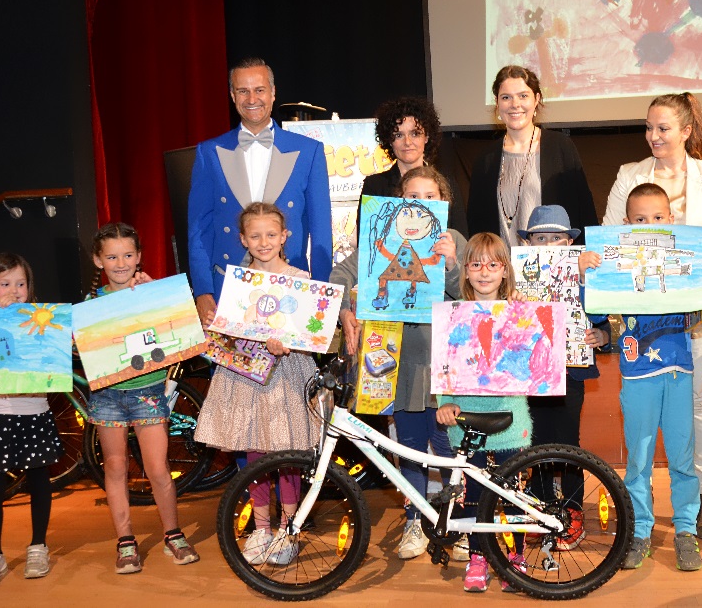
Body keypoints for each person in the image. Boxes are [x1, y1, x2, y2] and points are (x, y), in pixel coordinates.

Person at [601, 92, 702, 540]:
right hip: (644, 318)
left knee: (701, 404)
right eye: (648, 128)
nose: (654, 136)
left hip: (697, 311)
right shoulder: (629, 175)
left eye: (663, 128)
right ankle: (641, 510)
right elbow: (610, 240)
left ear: (686, 130)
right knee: (643, 420)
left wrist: (677, 254)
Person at [581, 184, 702, 573]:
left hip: (679, 374)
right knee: (639, 461)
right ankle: (640, 531)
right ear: (626, 224)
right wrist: (587, 276)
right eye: (640, 219)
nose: (650, 224)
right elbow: (596, 313)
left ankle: (685, 531)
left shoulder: (684, 261)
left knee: (682, 459)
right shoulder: (618, 268)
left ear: (671, 220)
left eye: (658, 218)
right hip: (637, 377)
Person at [332, 165, 464, 561]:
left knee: (448, 447)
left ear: (443, 202)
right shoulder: (380, 241)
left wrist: (452, 264)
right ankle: (414, 520)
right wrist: (344, 311)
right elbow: (339, 274)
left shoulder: (454, 240)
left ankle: (456, 523)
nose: (421, 204)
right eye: (412, 197)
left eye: (429, 197)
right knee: (409, 447)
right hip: (400, 363)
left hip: (443, 363)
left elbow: (474, 295)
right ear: (398, 203)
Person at [194, 202, 319, 567]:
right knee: (254, 452)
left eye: (271, 234)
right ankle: (261, 528)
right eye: (255, 235)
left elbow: (312, 334)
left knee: (288, 452)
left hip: (288, 374)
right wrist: (216, 330)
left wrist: (289, 344)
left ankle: (289, 530)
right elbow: (230, 333)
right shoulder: (238, 283)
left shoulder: (300, 278)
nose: (263, 242)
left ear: (284, 237)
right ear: (243, 239)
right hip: (246, 376)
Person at [86, 222, 199, 573]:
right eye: (112, 257)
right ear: (98, 260)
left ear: (138, 257)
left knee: (158, 468)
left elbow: (179, 325)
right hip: (107, 395)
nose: (120, 263)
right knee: (115, 466)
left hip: (148, 390)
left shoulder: (150, 292)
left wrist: (158, 296)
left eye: (128, 255)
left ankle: (173, 534)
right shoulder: (90, 305)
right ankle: (125, 541)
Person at [188, 57, 332, 327]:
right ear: (233, 96)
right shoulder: (209, 152)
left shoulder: (309, 151)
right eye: (243, 91)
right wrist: (203, 290)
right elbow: (199, 229)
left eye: (259, 90)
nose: (252, 99)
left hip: (292, 287)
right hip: (226, 288)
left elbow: (321, 230)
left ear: (273, 93)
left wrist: (321, 291)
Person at [435, 232, 532, 593]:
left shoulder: (520, 310)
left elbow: (534, 357)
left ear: (505, 270)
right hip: (466, 422)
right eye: (476, 264)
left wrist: (523, 314)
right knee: (473, 497)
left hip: (510, 420)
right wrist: (444, 402)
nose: (485, 271)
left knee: (513, 496)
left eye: (493, 264)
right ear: (465, 271)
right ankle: (478, 557)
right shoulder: (453, 314)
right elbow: (444, 363)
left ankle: (516, 557)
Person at [0, 253, 64, 587]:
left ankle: (38, 546)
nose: (14, 291)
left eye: (21, 284)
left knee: (39, 479)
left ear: (30, 288)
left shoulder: (41, 321)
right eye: (5, 283)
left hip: (31, 410)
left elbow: (52, 357)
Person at [516, 204, 609, 550]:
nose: (548, 245)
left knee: (567, 440)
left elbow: (601, 316)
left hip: (571, 369)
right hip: (531, 371)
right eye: (540, 238)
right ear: (528, 244)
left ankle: (571, 510)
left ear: (569, 243)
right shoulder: (518, 276)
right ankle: (540, 509)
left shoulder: (586, 271)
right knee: (535, 441)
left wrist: (602, 335)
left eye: (556, 238)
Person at [466, 65, 598, 245]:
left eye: (523, 96)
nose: (515, 104)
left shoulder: (560, 147)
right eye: (506, 97)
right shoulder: (485, 160)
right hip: (501, 262)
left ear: (536, 99)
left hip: (554, 260)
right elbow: (476, 225)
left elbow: (585, 211)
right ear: (497, 103)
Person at [360, 96, 468, 235]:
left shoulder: (448, 183)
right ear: (390, 141)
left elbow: (461, 240)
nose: (407, 142)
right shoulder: (375, 186)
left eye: (415, 134)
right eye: (399, 135)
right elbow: (367, 239)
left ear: (427, 137)